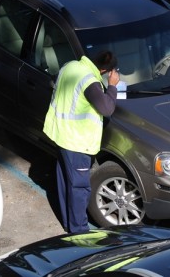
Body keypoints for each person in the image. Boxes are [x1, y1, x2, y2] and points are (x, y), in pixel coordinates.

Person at [43, 51, 119, 233]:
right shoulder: (89, 81)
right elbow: (107, 108)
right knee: (79, 188)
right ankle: (79, 232)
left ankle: (70, 225)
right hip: (77, 141)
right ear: (103, 70)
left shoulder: (70, 66)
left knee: (65, 183)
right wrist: (113, 86)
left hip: (61, 134)